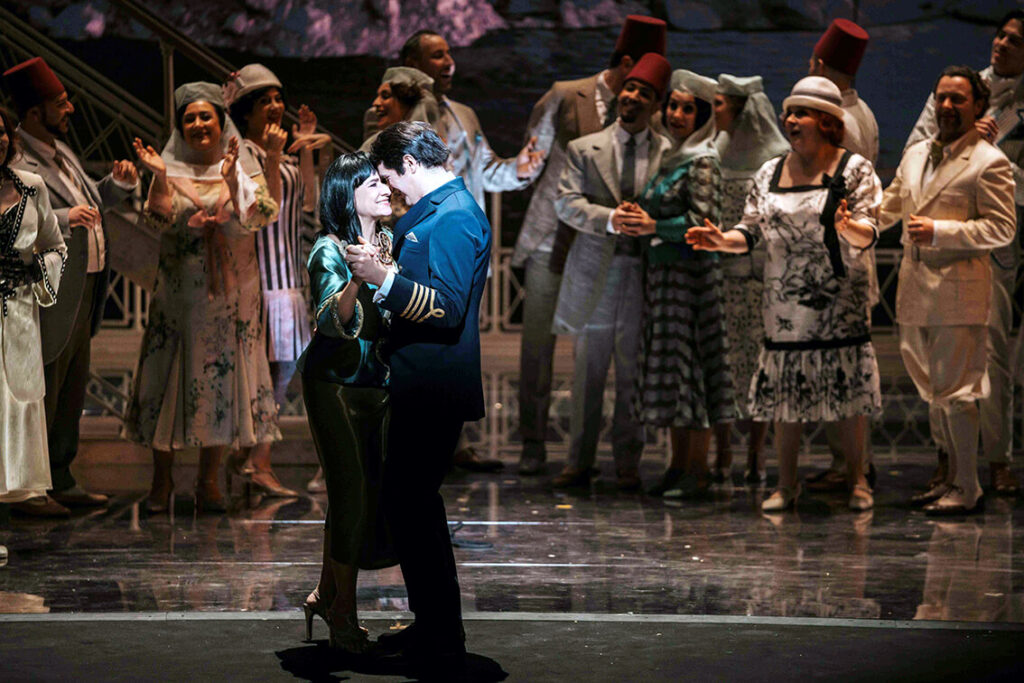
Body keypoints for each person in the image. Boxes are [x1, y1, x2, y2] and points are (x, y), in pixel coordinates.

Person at [687, 76, 883, 512]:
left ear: (826, 121)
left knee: (849, 392)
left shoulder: (855, 169)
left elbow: (870, 232)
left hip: (839, 300)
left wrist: (847, 226)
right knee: (784, 395)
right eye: (788, 112)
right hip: (784, 303)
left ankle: (858, 479)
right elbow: (749, 231)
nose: (790, 120)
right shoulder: (770, 171)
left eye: (801, 113)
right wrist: (721, 241)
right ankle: (786, 484)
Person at [346, 121, 490, 675]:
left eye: (388, 176)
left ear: (408, 163)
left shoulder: (452, 216)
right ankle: (434, 626)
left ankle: (441, 633)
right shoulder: (439, 211)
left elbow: (447, 308)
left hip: (434, 384)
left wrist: (383, 278)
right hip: (421, 379)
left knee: (414, 506)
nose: (389, 188)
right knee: (411, 506)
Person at [512, 15, 667, 476]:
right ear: (627, 63)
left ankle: (616, 457)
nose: (637, 93)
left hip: (611, 250)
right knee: (539, 344)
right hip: (553, 237)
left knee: (610, 351)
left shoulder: (652, 126)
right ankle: (533, 441)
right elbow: (531, 159)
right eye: (636, 79)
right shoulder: (566, 94)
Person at [124, 82, 281, 514]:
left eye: (205, 116)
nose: (197, 124)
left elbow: (263, 217)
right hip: (178, 299)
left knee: (220, 383)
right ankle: (161, 481)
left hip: (229, 300)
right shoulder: (168, 169)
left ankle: (208, 481)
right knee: (168, 382)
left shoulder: (241, 169)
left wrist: (233, 179)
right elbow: (156, 222)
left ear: (220, 121)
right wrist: (158, 177)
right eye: (189, 118)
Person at [393, 29, 546, 473]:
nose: (449, 62)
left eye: (449, 54)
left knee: (457, 347)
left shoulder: (464, 115)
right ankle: (413, 439)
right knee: (417, 340)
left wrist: (520, 169)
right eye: (437, 55)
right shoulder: (399, 112)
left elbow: (487, 171)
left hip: (461, 248)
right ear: (412, 64)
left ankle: (452, 442)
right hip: (419, 243)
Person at [3, 57, 138, 516]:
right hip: (47, 288)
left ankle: (60, 476)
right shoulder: (17, 159)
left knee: (71, 387)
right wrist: (63, 217)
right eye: (60, 103)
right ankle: (29, 490)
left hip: (84, 283)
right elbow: (16, 215)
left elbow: (89, 204)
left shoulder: (60, 150)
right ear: (34, 112)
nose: (71, 109)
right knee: (44, 385)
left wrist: (116, 186)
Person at [879, 66, 1016, 516]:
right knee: (935, 394)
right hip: (915, 292)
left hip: (959, 295)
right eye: (941, 97)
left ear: (979, 107)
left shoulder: (989, 161)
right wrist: (857, 223)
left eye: (958, 99)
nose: (947, 106)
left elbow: (1001, 228)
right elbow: (890, 205)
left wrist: (941, 231)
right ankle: (952, 478)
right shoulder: (917, 153)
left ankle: (968, 486)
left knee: (958, 393)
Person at [904, 11, 1024, 497]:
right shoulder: (960, 89)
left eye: (1015, 41)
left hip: (993, 247)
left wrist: (986, 154)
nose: (1002, 44)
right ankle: (949, 461)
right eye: (1000, 35)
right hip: (937, 245)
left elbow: (1002, 201)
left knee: (990, 356)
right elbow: (919, 148)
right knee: (935, 358)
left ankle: (996, 460)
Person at [549, 53, 673, 491]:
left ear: (656, 105)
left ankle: (627, 462)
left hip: (643, 274)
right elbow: (566, 202)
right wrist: (609, 219)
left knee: (633, 372)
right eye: (630, 88)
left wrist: (651, 223)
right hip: (597, 272)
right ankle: (578, 461)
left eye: (644, 93)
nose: (633, 97)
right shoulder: (586, 148)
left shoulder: (668, 153)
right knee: (588, 371)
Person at [298, 152, 397, 653]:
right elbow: (330, 320)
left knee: (358, 494)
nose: (385, 188)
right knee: (351, 491)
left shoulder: (389, 241)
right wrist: (359, 278)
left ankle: (324, 593)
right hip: (335, 381)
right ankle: (343, 611)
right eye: (373, 183)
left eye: (384, 181)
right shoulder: (328, 249)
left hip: (378, 380)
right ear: (346, 193)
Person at [621, 68, 735, 498]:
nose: (677, 115)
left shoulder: (703, 160)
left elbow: (704, 222)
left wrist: (654, 225)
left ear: (702, 117)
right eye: (673, 106)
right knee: (673, 373)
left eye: (689, 109)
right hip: (664, 278)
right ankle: (678, 466)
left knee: (692, 371)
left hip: (691, 280)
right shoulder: (671, 156)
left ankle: (697, 470)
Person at [223, 63, 325, 498]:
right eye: (264, 101)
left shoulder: (279, 154)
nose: (275, 106)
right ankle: (255, 457)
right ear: (246, 112)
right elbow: (266, 211)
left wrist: (305, 149)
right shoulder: (244, 154)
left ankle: (251, 456)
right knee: (266, 372)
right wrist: (271, 157)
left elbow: (308, 205)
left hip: (287, 278)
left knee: (282, 370)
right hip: (260, 276)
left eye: (278, 99)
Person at [804, 18, 883, 494]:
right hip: (852, 252)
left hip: (839, 255)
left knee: (843, 367)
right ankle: (851, 462)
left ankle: (854, 465)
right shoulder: (864, 111)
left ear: (818, 64)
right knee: (845, 365)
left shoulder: (839, 121)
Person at [712, 74, 790, 484]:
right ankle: (722, 449)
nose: (714, 111)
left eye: (721, 104)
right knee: (722, 366)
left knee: (761, 368)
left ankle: (757, 451)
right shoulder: (714, 152)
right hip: (721, 281)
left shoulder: (776, 159)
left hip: (761, 284)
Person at [0, 104, 67, 513]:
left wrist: (34, 269)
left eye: (1, 132)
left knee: (15, 405)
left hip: (19, 315)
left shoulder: (31, 187)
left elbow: (56, 246)